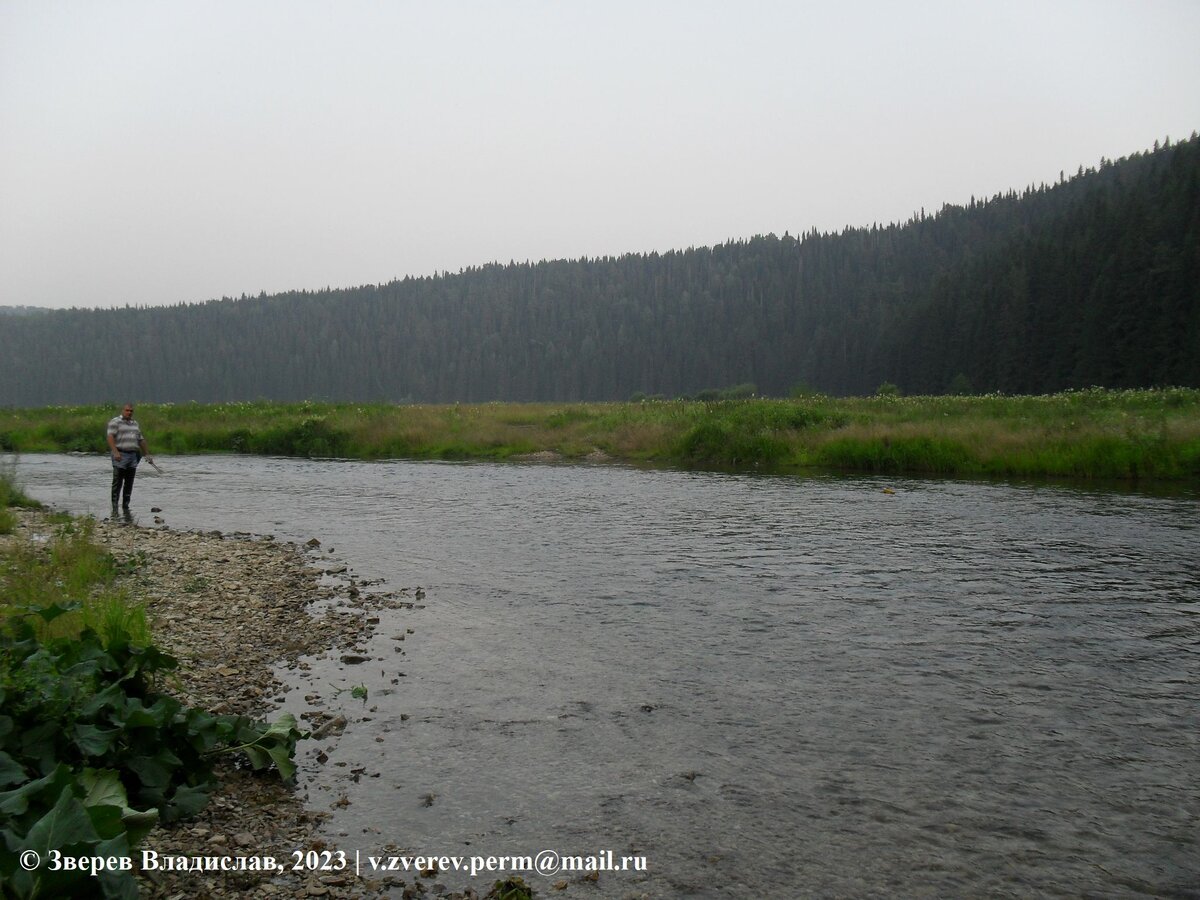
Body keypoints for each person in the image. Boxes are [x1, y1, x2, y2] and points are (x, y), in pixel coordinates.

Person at [106, 403, 154, 512]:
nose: (129, 412)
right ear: (123, 410)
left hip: (133, 455)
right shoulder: (115, 422)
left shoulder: (134, 424)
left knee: (129, 482)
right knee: (117, 482)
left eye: (131, 411)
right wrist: (115, 452)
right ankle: (114, 507)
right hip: (120, 454)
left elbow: (140, 439)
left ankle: (126, 507)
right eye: (127, 410)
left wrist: (147, 454)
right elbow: (110, 437)